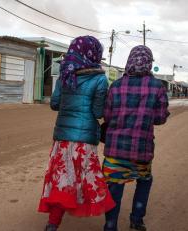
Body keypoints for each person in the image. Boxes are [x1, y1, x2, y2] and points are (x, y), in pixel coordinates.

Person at [38, 36, 115, 231]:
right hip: (84, 140)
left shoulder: (65, 75)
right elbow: (98, 112)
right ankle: (110, 224)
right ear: (94, 53)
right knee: (85, 180)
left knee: (62, 181)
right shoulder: (99, 78)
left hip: (62, 139)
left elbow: (55, 104)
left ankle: (52, 225)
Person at [102, 45, 170, 231]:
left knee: (114, 188)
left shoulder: (116, 86)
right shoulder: (158, 87)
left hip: (115, 150)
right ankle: (137, 220)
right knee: (144, 181)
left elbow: (107, 116)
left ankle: (110, 226)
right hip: (141, 150)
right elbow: (160, 119)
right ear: (149, 62)